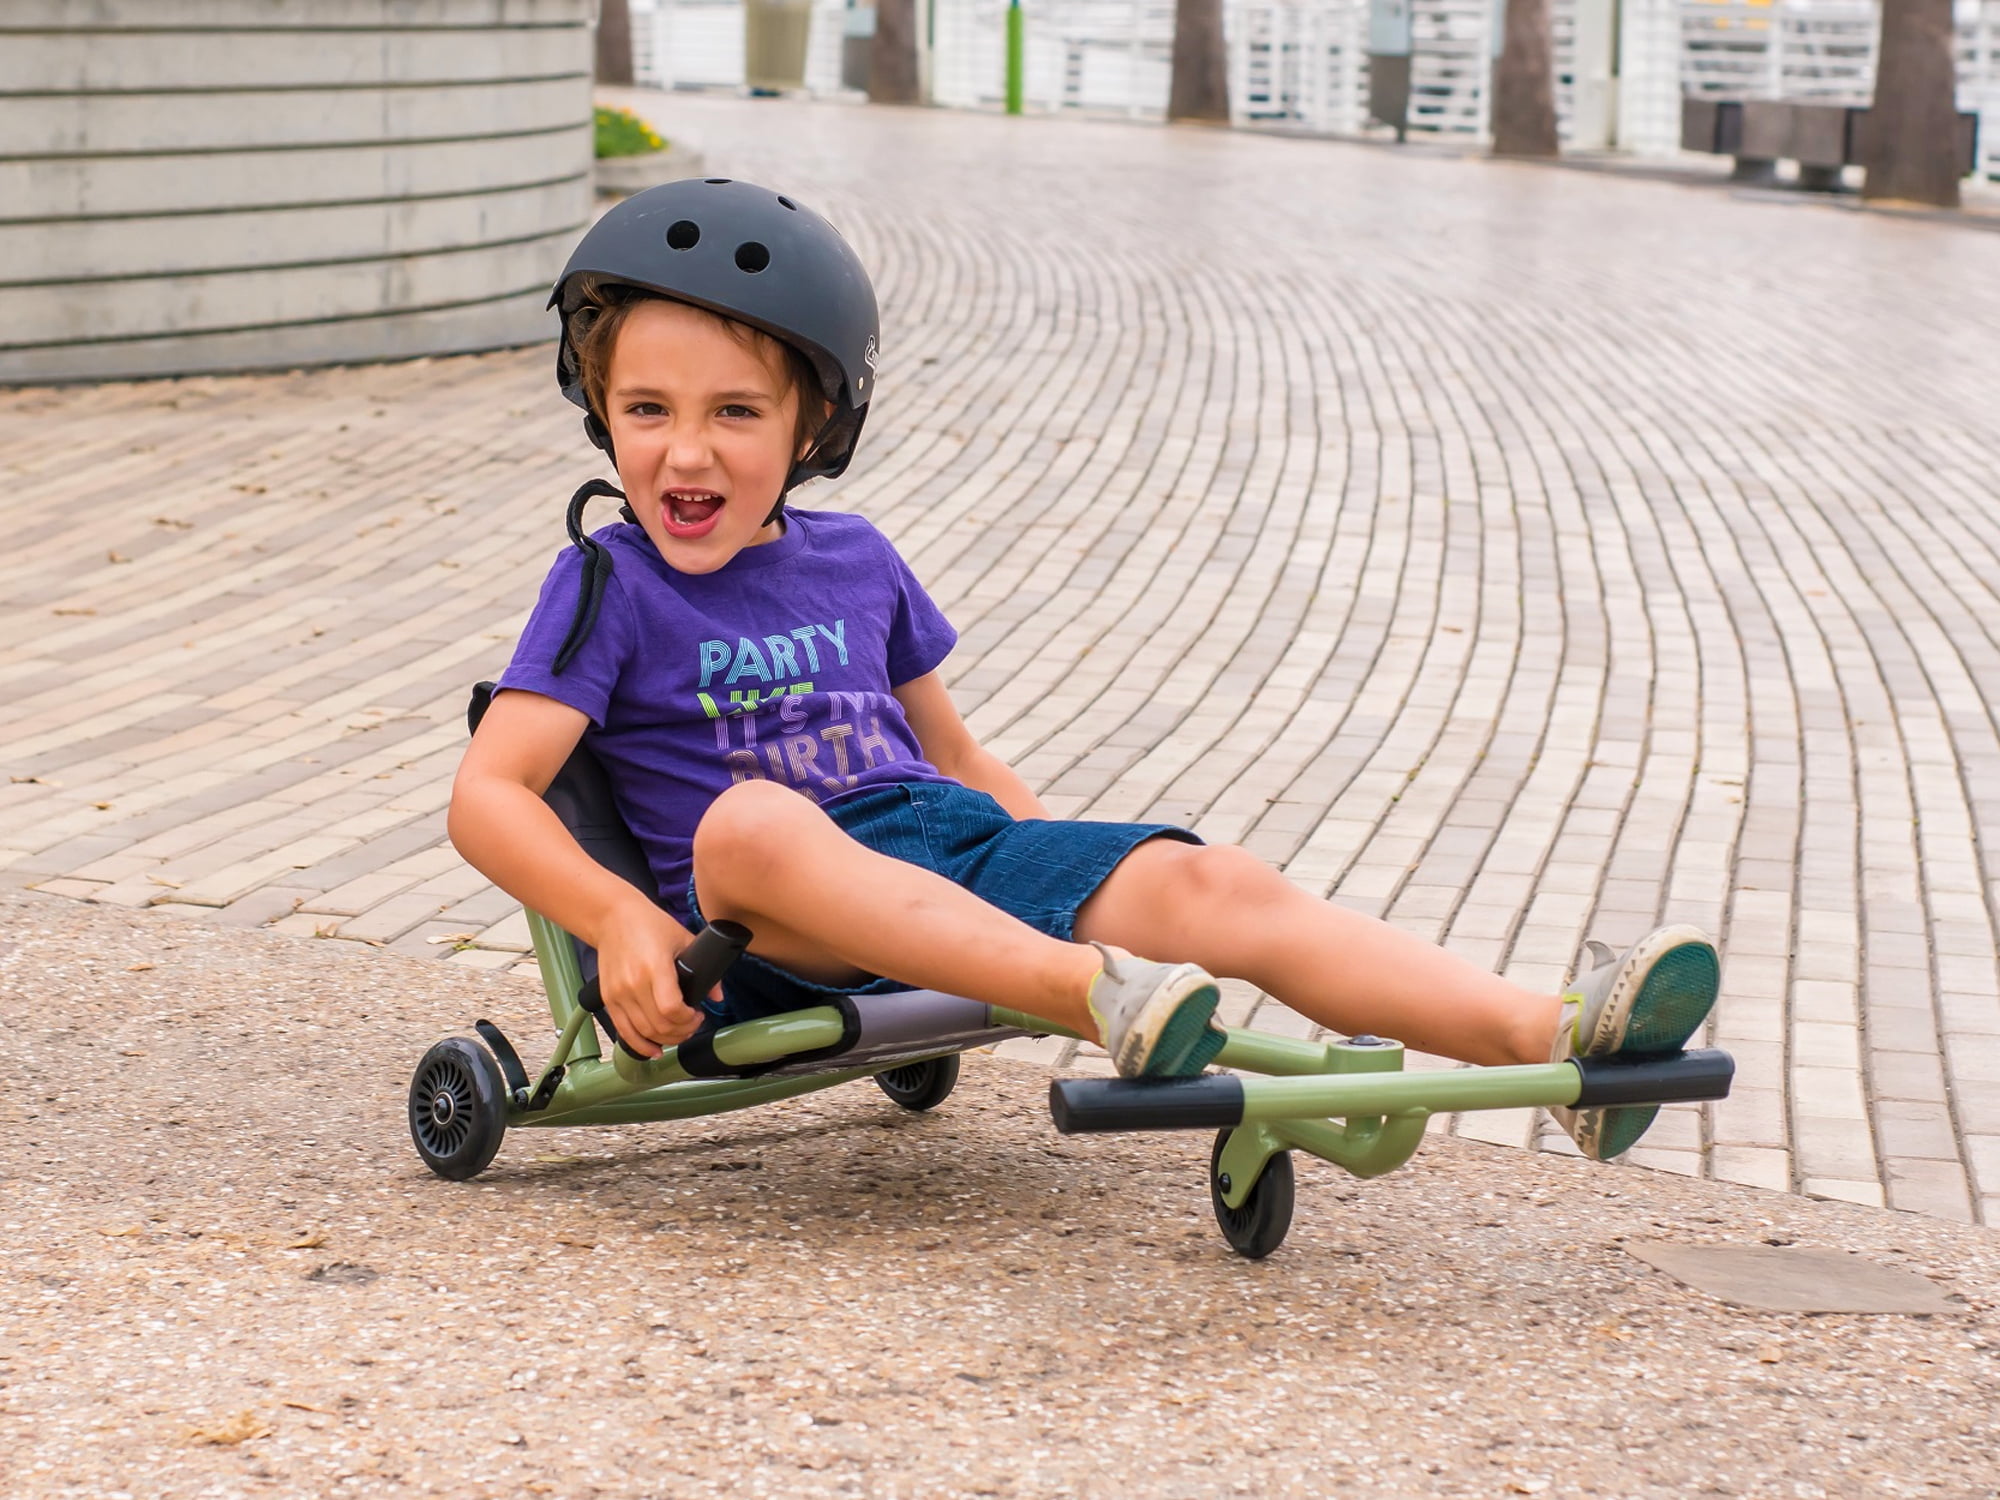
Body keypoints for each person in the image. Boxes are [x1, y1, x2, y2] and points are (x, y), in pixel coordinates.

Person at [448, 179, 1721, 1162]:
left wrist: (1086, 866)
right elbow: (489, 794)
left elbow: (948, 760)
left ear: (812, 427)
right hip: (763, 931)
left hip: (940, 852)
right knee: (750, 821)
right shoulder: (608, 586)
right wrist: (623, 920)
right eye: (647, 411)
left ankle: (1550, 1041)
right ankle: (1092, 994)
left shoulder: (856, 559)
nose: (685, 454)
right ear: (598, 408)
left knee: (1204, 879)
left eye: (735, 413)